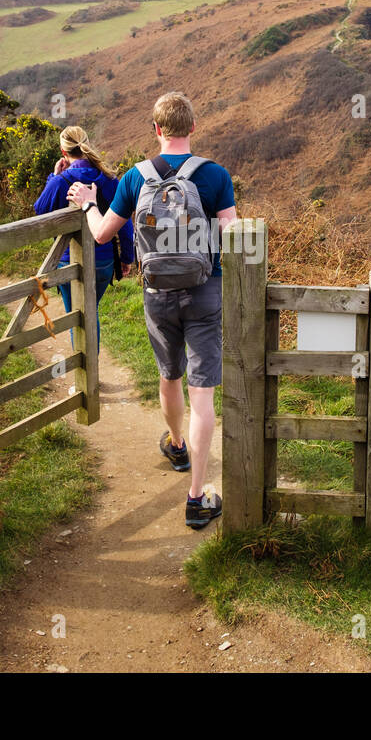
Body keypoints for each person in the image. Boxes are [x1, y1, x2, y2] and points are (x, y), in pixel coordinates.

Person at [67, 92, 236, 529]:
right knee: (204, 393)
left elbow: (103, 235)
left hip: (157, 293)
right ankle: (197, 498)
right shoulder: (215, 176)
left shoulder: (133, 178)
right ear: (193, 128)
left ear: (156, 129)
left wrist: (88, 202)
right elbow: (235, 234)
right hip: (205, 290)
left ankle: (176, 445)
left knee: (170, 376)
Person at [33, 125, 134, 345]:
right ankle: (90, 370)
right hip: (105, 261)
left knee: (80, 317)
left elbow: (40, 209)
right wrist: (127, 257)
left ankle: (87, 374)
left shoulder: (61, 182)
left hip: (70, 263)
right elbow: (125, 224)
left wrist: (53, 176)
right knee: (90, 311)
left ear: (63, 152)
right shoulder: (109, 179)